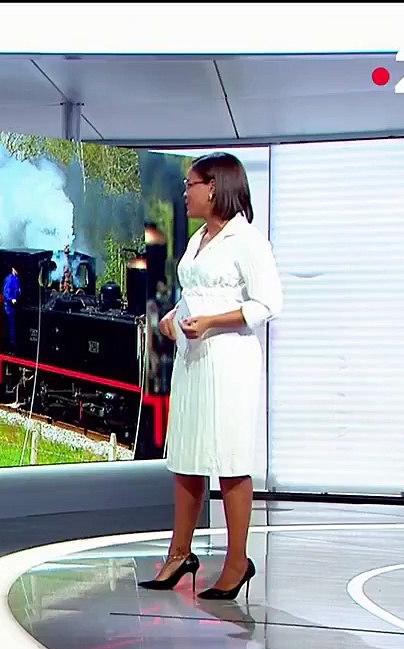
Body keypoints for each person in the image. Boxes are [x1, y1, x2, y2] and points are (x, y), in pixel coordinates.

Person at [138, 152, 283, 600]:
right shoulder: (199, 238)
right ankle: (179, 553)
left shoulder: (247, 240)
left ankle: (238, 561)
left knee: (229, 459)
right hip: (193, 360)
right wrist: (172, 319)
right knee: (187, 455)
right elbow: (194, 297)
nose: (185, 193)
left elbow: (267, 304)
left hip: (229, 363)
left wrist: (212, 323)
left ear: (214, 187)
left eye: (191, 185)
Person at [1, 266, 20, 351]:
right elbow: (5, 292)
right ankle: (10, 346)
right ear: (13, 269)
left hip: (15, 305)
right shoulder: (9, 279)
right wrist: (11, 299)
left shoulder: (17, 278)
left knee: (14, 326)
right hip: (8, 307)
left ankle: (14, 344)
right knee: (10, 327)